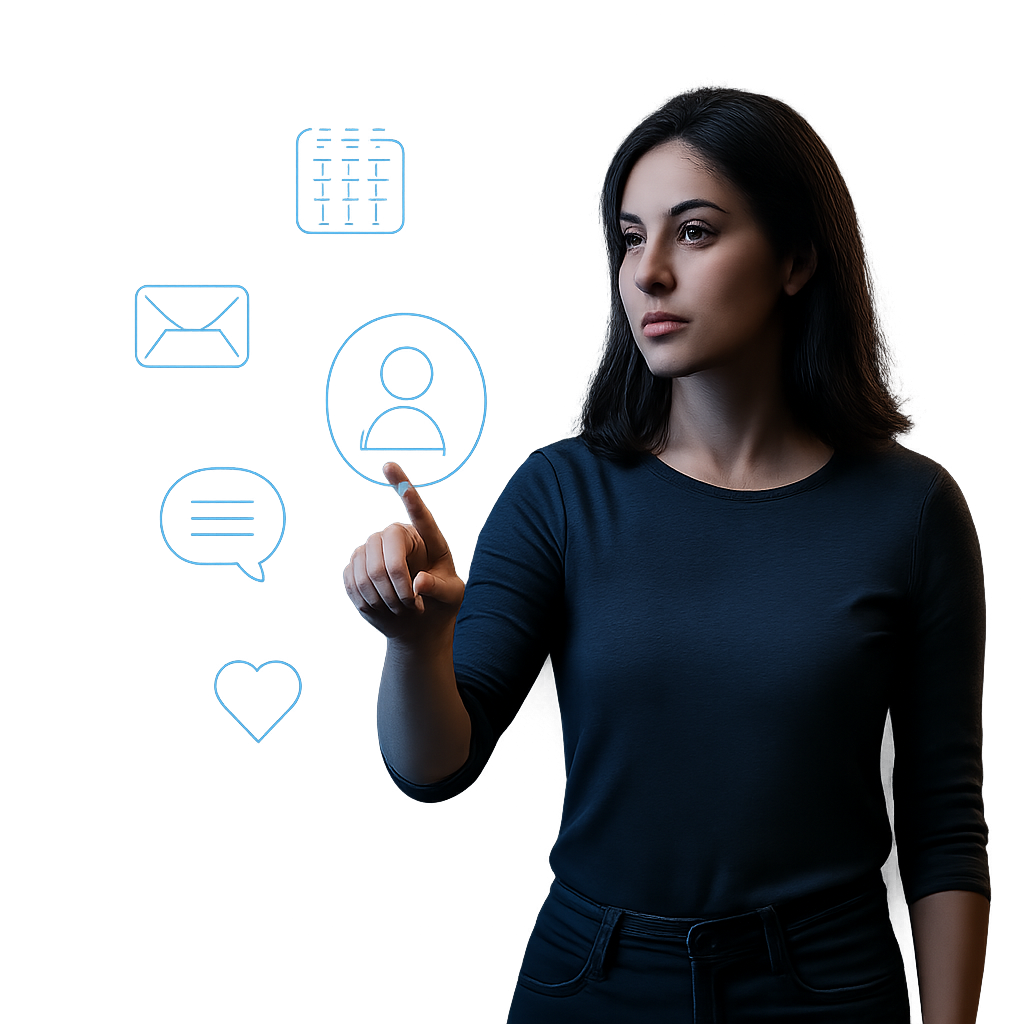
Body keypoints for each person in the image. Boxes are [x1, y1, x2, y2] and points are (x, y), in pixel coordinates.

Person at [344, 89, 990, 1023]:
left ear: (797, 259)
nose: (647, 273)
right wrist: (417, 644)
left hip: (826, 988)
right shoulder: (563, 494)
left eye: (693, 233)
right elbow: (438, 767)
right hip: (593, 982)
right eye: (629, 236)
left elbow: (945, 824)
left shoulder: (912, 514)